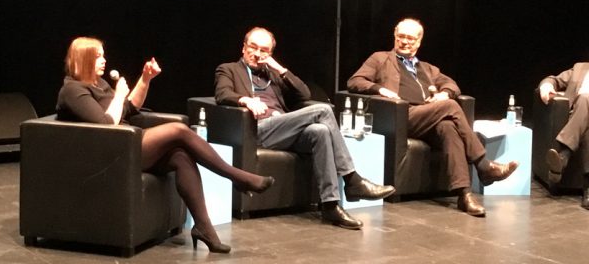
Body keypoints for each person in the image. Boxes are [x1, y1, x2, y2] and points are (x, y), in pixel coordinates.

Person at [56, 37, 275, 254]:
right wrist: (119, 95)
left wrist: (145, 79)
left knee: (181, 157)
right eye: (97, 57)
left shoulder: (100, 84)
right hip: (109, 154)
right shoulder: (72, 90)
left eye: (103, 55)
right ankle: (238, 177)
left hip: (125, 144)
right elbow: (106, 125)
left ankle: (204, 228)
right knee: (178, 130)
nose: (104, 60)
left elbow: (130, 108)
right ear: (83, 59)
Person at [214, 27, 396, 230]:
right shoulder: (228, 69)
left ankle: (330, 205)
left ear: (270, 54)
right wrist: (245, 100)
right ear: (243, 47)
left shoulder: (273, 74)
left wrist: (280, 69)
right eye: (253, 47)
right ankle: (352, 180)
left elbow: (304, 94)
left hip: (284, 128)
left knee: (320, 131)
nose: (257, 54)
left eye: (263, 50)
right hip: (256, 129)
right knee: (324, 110)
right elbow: (222, 94)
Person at [347, 18, 519, 217]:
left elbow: (452, 85)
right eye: (401, 36)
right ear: (394, 35)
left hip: (428, 116)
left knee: (448, 127)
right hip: (401, 116)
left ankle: (464, 195)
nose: (405, 41)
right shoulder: (380, 59)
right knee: (450, 106)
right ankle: (483, 165)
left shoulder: (427, 69)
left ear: (419, 41)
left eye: (410, 38)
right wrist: (380, 89)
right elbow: (355, 81)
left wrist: (444, 93)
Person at [538, 62, 589, 209]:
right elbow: (553, 79)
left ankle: (563, 156)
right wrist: (546, 86)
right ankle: (588, 189)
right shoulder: (580, 68)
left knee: (585, 99)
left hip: (579, 121)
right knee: (585, 107)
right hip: (576, 117)